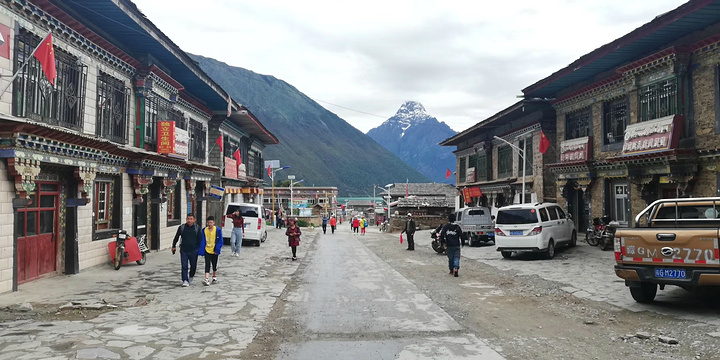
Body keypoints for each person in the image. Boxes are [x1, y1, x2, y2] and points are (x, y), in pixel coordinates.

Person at [172, 213, 202, 287]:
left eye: (191, 219)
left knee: (193, 266)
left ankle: (191, 276)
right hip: (184, 250)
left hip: (194, 250)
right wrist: (173, 246)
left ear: (194, 220)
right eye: (188, 219)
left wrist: (199, 249)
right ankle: (185, 280)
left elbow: (200, 239)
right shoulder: (182, 227)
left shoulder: (197, 228)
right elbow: (176, 237)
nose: (189, 220)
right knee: (184, 265)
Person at [198, 216, 223, 285]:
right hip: (207, 249)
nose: (209, 224)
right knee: (207, 264)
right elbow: (202, 240)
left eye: (211, 222)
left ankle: (214, 276)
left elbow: (220, 241)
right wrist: (201, 250)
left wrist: (217, 249)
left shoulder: (217, 230)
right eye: (208, 223)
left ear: (214, 223)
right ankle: (206, 279)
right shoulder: (204, 230)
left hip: (214, 250)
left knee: (214, 264)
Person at [440, 213, 463, 277]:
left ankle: (451, 270)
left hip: (449, 245)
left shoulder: (446, 227)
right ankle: (456, 268)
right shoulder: (458, 227)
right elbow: (461, 235)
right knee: (456, 257)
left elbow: (442, 235)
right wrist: (463, 243)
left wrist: (443, 242)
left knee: (451, 258)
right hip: (457, 245)